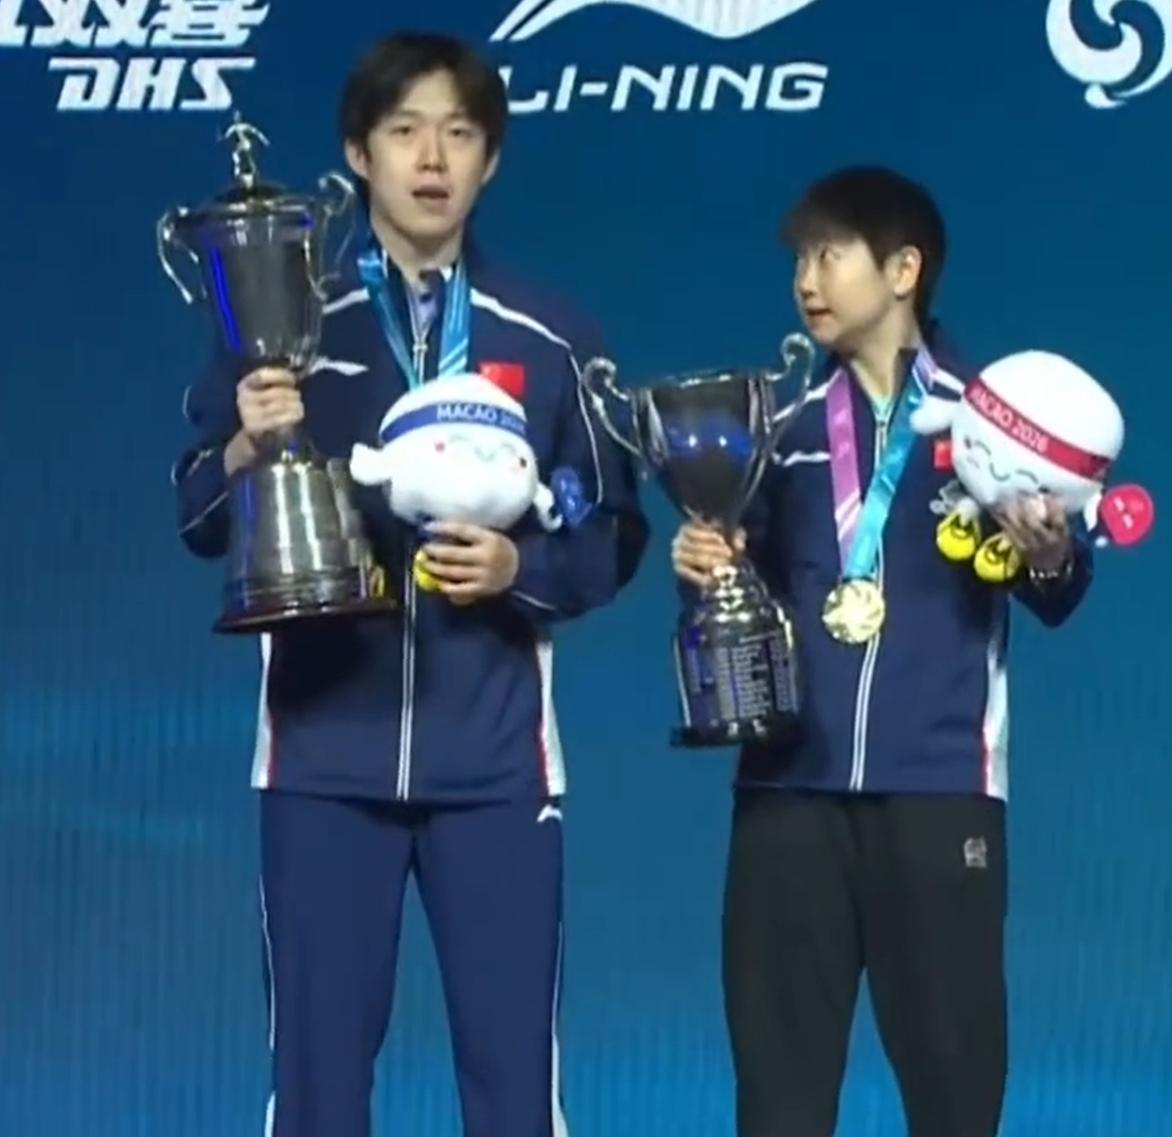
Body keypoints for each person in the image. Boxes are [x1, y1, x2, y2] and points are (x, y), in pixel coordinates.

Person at [172, 31, 648, 1137]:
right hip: (320, 761)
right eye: (404, 131)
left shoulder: (551, 335)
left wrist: (521, 569)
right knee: (319, 1095)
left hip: (496, 770)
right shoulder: (284, 320)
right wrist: (244, 444)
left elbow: (615, 530)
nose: (432, 158)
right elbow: (195, 512)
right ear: (359, 154)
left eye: (459, 134)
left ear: (491, 160)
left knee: (515, 1095)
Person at [672, 166, 1092, 1137]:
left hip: (937, 794)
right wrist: (708, 564)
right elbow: (738, 599)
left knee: (953, 1103)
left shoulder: (992, 422)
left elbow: (1061, 589)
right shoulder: (771, 431)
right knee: (778, 1106)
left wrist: (1048, 553)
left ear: (903, 269)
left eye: (829, 255)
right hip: (786, 798)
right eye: (797, 261)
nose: (805, 281)